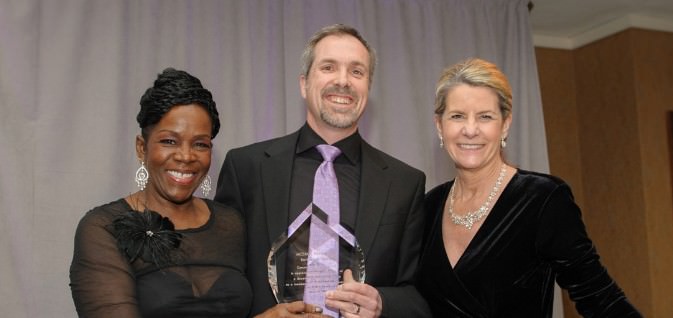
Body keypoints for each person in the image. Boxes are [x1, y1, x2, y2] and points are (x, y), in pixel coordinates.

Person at [214, 24, 431, 318]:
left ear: (368, 86)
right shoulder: (247, 168)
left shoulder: (405, 183)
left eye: (357, 72)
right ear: (304, 84)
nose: (343, 81)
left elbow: (419, 297)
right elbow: (220, 282)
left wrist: (382, 303)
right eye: (329, 67)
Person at [417, 58, 641, 317]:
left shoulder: (542, 199)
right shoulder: (427, 207)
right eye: (457, 116)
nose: (470, 129)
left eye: (485, 117)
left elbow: (600, 298)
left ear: (505, 124)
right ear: (439, 126)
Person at [70, 68, 253, 317]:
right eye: (169, 141)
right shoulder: (102, 228)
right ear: (141, 147)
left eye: (200, 144)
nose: (186, 156)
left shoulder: (232, 224)